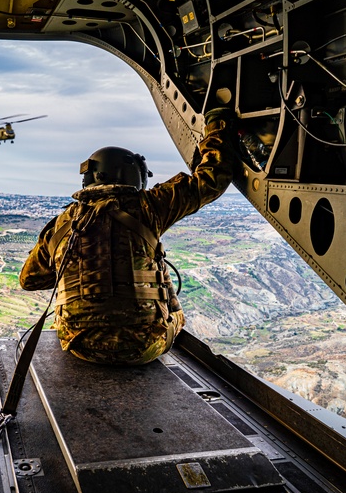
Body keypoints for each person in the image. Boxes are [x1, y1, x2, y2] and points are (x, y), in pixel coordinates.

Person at [18, 108, 235, 365]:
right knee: (161, 273)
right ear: (133, 175)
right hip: (143, 347)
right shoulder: (149, 206)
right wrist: (218, 125)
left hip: (79, 345)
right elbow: (210, 179)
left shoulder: (62, 225)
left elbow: (29, 280)